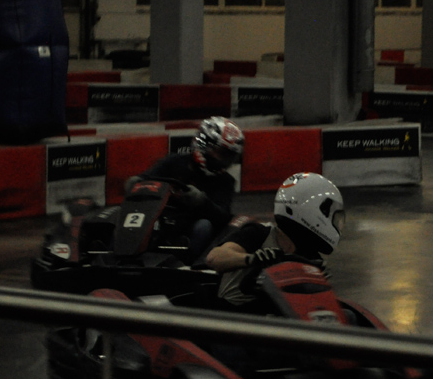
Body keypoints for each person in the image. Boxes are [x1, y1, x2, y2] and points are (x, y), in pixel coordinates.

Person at [205, 172, 345, 314]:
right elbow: (214, 258)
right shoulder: (258, 233)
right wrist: (253, 259)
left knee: (348, 315)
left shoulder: (309, 255)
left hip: (276, 316)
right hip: (237, 316)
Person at [125, 116, 244, 255]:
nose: (224, 160)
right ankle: (119, 250)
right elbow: (146, 179)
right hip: (160, 217)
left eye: (228, 156)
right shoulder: (174, 162)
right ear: (204, 144)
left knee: (204, 226)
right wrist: (135, 182)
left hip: (189, 225)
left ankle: (187, 261)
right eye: (221, 153)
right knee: (119, 214)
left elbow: (223, 217)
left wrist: (202, 201)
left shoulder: (225, 181)